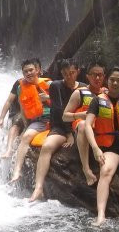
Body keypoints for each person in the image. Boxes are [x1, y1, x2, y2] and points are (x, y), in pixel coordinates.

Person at [85, 65, 119, 225]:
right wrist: (95, 148)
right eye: (112, 80)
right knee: (105, 171)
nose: (115, 83)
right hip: (111, 147)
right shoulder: (98, 100)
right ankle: (101, 215)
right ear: (107, 80)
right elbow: (87, 125)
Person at [29, 58, 81, 202]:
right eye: (65, 74)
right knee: (47, 147)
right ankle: (38, 188)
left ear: (78, 71)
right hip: (60, 127)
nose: (69, 77)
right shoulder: (56, 86)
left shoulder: (84, 88)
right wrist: (69, 134)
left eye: (72, 73)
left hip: (78, 126)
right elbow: (58, 110)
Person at [0, 58, 51, 184]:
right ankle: (17, 171)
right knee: (25, 136)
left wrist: (47, 97)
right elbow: (23, 109)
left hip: (53, 120)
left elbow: (62, 103)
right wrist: (25, 125)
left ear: (38, 70)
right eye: (25, 71)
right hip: (38, 121)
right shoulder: (20, 87)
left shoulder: (49, 84)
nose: (29, 73)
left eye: (31, 70)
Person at [61, 61, 106, 186]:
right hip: (83, 131)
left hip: (101, 133)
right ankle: (86, 169)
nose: (97, 78)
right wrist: (80, 115)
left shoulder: (107, 94)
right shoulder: (79, 93)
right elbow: (65, 116)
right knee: (82, 124)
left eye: (100, 75)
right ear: (87, 76)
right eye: (94, 75)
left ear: (104, 76)